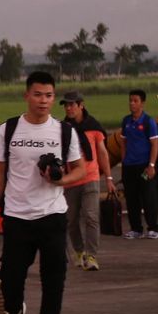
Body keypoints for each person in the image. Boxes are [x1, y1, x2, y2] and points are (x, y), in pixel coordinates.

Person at [0, 71, 86, 314]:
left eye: (49, 96)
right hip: (17, 216)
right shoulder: (8, 129)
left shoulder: (64, 132)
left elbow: (80, 169)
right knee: (11, 279)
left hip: (52, 215)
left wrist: (59, 179)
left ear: (53, 98)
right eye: (38, 95)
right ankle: (15, 310)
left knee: (54, 279)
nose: (43, 100)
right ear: (26, 95)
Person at [60, 90, 116, 270]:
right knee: (71, 220)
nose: (68, 108)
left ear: (81, 105)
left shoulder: (93, 126)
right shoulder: (62, 129)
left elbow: (102, 153)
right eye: (66, 105)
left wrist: (108, 177)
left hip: (91, 177)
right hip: (71, 179)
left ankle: (91, 256)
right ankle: (79, 251)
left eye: (72, 104)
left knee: (91, 216)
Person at [119, 88, 158, 239]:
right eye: (130, 100)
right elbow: (123, 142)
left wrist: (151, 165)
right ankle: (136, 229)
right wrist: (124, 160)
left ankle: (153, 228)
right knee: (131, 198)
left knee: (148, 197)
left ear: (142, 103)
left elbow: (155, 144)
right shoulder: (126, 121)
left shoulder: (148, 121)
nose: (132, 104)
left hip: (144, 166)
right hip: (129, 167)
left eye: (135, 101)